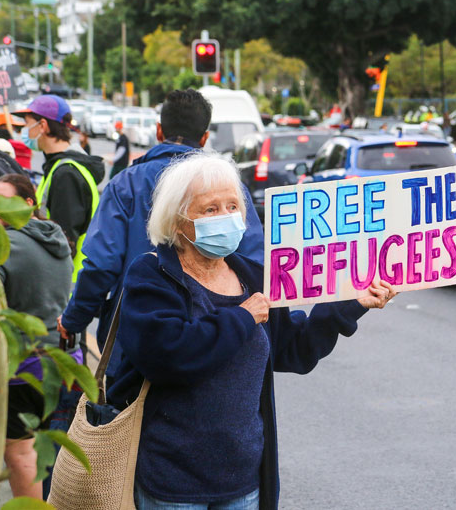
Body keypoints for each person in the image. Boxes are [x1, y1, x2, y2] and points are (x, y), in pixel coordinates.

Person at [106, 153, 396, 510]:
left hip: (243, 483)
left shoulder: (253, 277)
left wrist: (351, 304)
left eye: (232, 206)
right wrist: (242, 318)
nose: (226, 216)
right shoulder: (152, 275)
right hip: (172, 485)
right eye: (210, 209)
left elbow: (293, 350)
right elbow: (169, 355)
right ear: (178, 221)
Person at [57, 89, 264, 387]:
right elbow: (254, 263)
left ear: (158, 131)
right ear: (204, 138)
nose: (224, 211)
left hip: (135, 347)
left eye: (226, 209)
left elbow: (101, 266)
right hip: (223, 342)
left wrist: (74, 320)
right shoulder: (228, 188)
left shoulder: (126, 183)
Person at [0, 174, 76, 500]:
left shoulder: (4, 247)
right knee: (37, 450)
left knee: (18, 453)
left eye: (3, 202)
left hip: (18, 366)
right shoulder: (53, 238)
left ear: (29, 204)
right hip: (56, 362)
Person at [12, 95, 104, 283]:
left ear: (43, 125)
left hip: (63, 288)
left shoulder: (66, 174)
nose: (24, 131)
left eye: (27, 124)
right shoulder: (60, 168)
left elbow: (63, 241)